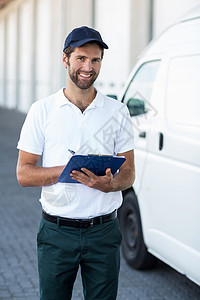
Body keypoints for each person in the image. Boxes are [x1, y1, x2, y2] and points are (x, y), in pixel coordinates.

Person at [16, 26, 135, 300]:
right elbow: (24, 173)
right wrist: (70, 170)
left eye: (95, 60)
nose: (88, 67)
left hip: (104, 232)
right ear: (65, 59)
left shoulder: (117, 111)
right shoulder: (41, 110)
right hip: (57, 233)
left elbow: (129, 172)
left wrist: (111, 184)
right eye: (81, 58)